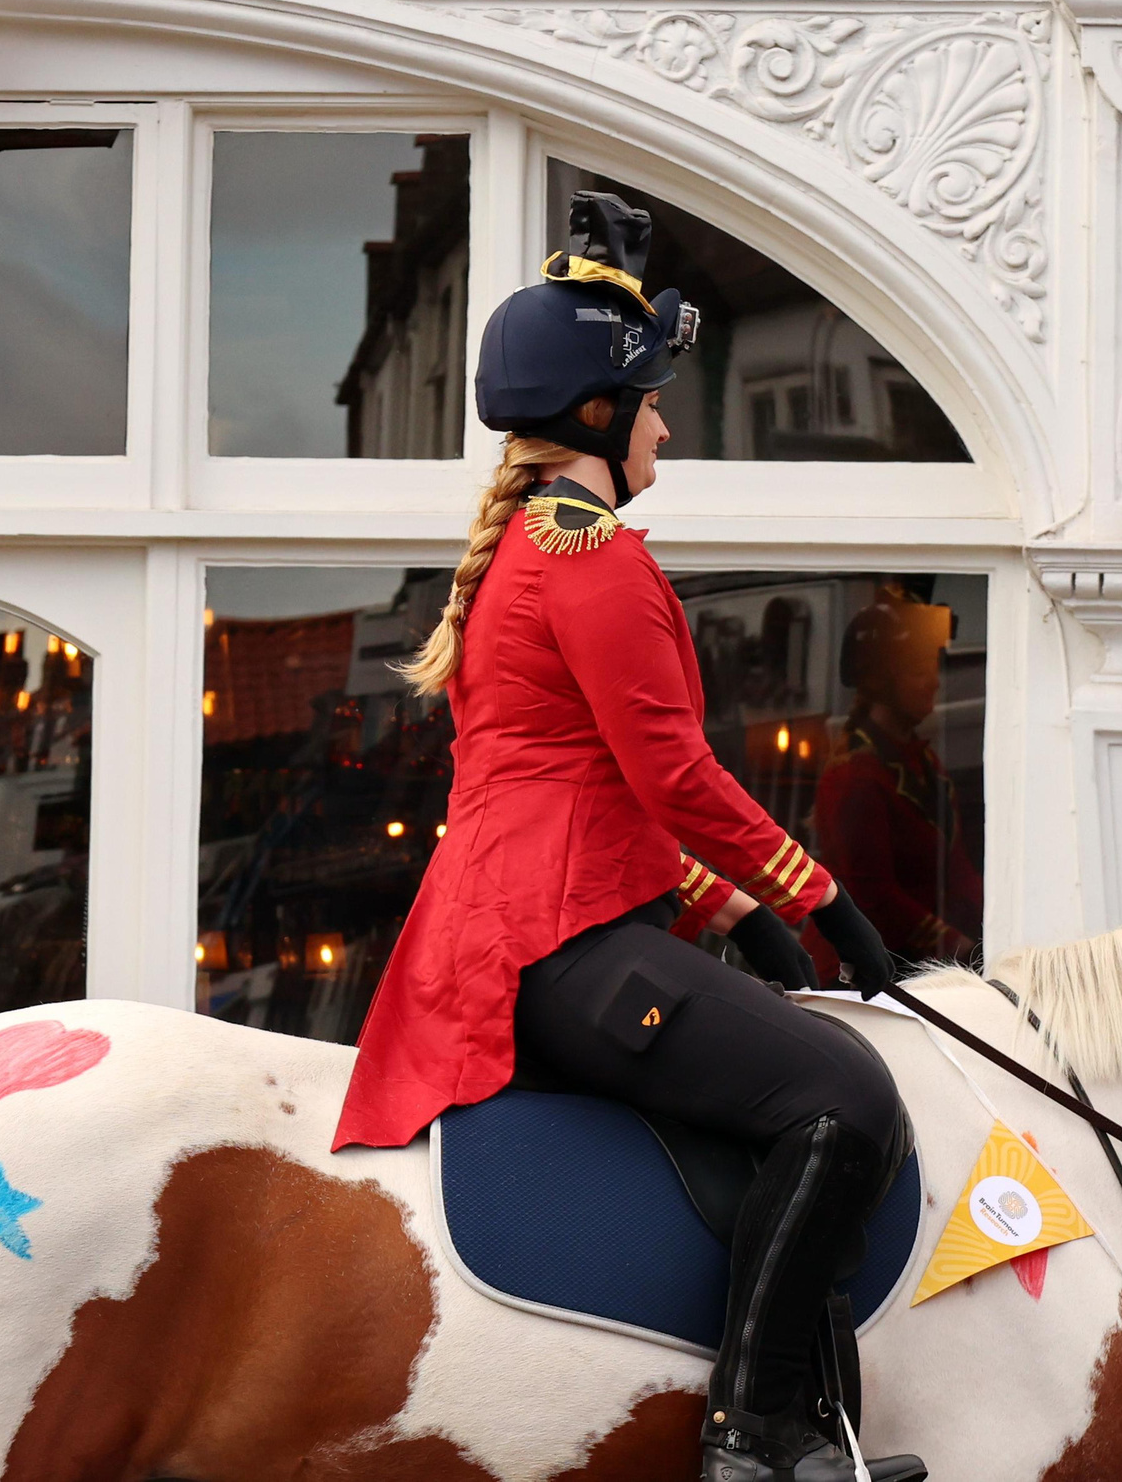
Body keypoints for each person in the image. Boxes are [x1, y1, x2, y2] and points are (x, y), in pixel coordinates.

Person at [334, 194, 925, 1482]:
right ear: (600, 415)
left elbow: (591, 796)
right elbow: (671, 773)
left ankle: (815, 1424)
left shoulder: (528, 553)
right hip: (560, 946)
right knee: (845, 1097)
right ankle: (753, 1434)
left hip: (533, 931)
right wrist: (821, 897)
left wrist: (732, 916)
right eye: (651, 398)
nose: (666, 419)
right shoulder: (588, 554)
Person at [813, 593, 981, 968]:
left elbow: (957, 870)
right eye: (920, 670)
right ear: (881, 682)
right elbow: (871, 896)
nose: (935, 683)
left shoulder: (923, 763)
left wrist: (998, 923)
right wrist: (954, 942)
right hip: (864, 972)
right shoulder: (854, 776)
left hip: (921, 965)